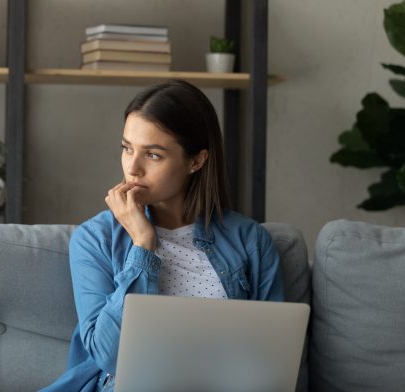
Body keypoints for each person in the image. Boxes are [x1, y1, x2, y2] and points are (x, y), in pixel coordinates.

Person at [40, 79, 284, 392]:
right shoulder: (95, 239)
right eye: (127, 149)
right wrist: (143, 245)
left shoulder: (250, 242)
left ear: (196, 161)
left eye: (153, 155)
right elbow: (109, 356)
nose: (133, 168)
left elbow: (274, 361)